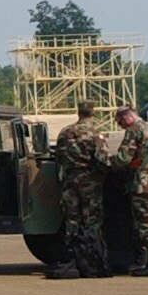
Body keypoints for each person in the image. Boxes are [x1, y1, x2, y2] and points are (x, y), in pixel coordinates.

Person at [49, 103, 112, 279]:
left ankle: (71, 258)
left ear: (78, 112)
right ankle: (91, 258)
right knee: (92, 221)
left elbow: (58, 157)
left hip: (69, 183)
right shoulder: (95, 134)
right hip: (89, 183)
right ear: (93, 113)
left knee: (72, 220)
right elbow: (101, 160)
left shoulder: (65, 132)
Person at [113, 106, 148, 276]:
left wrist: (110, 163)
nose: (122, 126)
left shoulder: (134, 130)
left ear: (127, 118)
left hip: (143, 184)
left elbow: (124, 158)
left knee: (145, 222)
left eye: (121, 122)